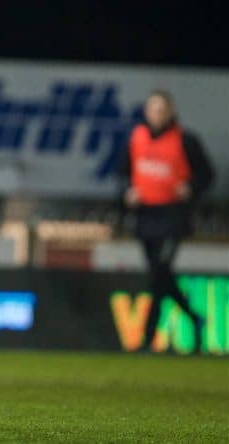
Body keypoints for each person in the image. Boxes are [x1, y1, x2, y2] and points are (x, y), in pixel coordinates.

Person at [118, 90, 214, 352]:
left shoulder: (185, 140)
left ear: (170, 111)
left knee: (158, 274)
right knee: (160, 277)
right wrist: (128, 190)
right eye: (152, 109)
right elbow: (122, 172)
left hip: (173, 218)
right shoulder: (137, 138)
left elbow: (207, 174)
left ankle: (148, 339)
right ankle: (194, 317)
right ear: (146, 111)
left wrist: (191, 187)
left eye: (162, 110)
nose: (157, 115)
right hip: (146, 217)